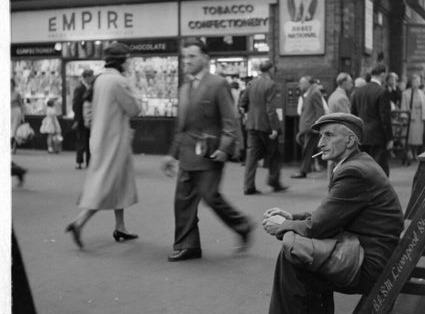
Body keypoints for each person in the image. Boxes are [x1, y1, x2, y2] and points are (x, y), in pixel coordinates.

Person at [262, 113, 404, 314]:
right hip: (369, 252)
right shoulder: (358, 163)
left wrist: (283, 226)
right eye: (320, 136)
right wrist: (292, 216)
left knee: (294, 255)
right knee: (302, 252)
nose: (320, 143)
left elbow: (318, 227)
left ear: (349, 140)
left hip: (367, 263)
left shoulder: (353, 172)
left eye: (328, 135)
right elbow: (332, 214)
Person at [160, 38, 253, 262]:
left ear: (205, 58)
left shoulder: (218, 83)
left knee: (210, 197)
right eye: (185, 57)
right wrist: (171, 155)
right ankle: (187, 245)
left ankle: (243, 225)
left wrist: (224, 148)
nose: (187, 61)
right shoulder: (184, 89)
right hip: (187, 155)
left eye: (192, 56)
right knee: (182, 201)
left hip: (210, 154)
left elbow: (230, 121)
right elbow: (181, 128)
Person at [65, 43, 142, 249]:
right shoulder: (119, 81)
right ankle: (79, 222)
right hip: (114, 140)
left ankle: (121, 226)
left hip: (101, 138)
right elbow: (134, 109)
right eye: (128, 59)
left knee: (119, 182)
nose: (130, 62)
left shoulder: (100, 79)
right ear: (122, 61)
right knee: (107, 184)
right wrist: (133, 86)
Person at [240, 60, 287, 194]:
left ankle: (248, 186)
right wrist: (274, 128)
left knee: (251, 156)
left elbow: (243, 102)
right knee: (275, 154)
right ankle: (274, 181)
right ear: (271, 70)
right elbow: (270, 107)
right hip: (265, 125)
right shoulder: (271, 85)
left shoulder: (251, 83)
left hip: (252, 125)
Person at [351, 64, 393, 176]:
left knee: (363, 167)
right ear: (382, 75)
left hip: (362, 134)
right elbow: (385, 117)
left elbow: (353, 115)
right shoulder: (382, 92)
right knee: (379, 169)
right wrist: (389, 138)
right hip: (378, 135)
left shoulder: (358, 92)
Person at [291, 76, 327, 179]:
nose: (299, 85)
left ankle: (303, 171)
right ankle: (304, 169)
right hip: (308, 127)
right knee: (308, 149)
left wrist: (318, 126)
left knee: (307, 149)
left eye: (302, 83)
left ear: (308, 83)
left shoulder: (315, 93)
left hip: (311, 127)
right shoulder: (309, 93)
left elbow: (320, 111)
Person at [401, 73, 425, 161]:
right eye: (415, 81)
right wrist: (404, 116)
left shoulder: (422, 93)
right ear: (412, 82)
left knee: (418, 138)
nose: (417, 83)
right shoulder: (406, 93)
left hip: (419, 117)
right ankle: (409, 151)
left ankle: (415, 152)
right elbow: (403, 106)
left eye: (418, 81)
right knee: (409, 136)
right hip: (411, 118)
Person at [72, 69, 95, 169]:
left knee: (89, 141)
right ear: (86, 77)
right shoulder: (80, 88)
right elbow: (76, 104)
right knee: (81, 140)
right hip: (81, 119)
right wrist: (77, 119)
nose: (92, 78)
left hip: (89, 118)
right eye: (90, 76)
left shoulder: (91, 87)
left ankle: (89, 162)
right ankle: (79, 161)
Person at [11, 78, 24, 153]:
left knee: (14, 130)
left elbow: (21, 104)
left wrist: (22, 115)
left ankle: (13, 147)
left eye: (11, 83)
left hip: (16, 111)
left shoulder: (17, 93)